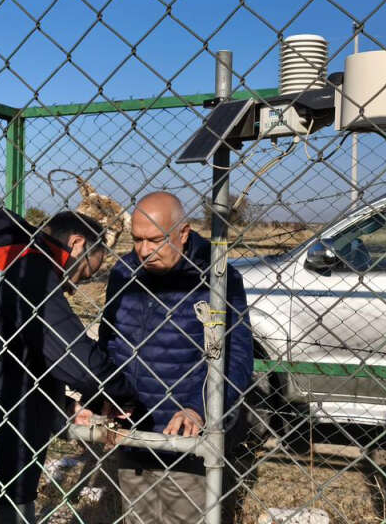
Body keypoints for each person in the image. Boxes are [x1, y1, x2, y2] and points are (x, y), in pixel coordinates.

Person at [0, 207, 139, 523]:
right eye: (84, 273)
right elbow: (77, 359)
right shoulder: (26, 263)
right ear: (75, 243)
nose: (74, 287)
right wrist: (127, 397)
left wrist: (58, 404)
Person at [96, 191, 254, 523]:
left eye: (155, 240)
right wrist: (105, 393)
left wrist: (201, 408)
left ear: (182, 233)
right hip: (133, 430)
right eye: (136, 239)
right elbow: (108, 341)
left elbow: (235, 357)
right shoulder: (124, 272)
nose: (143, 251)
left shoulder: (217, 277)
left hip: (186, 438)